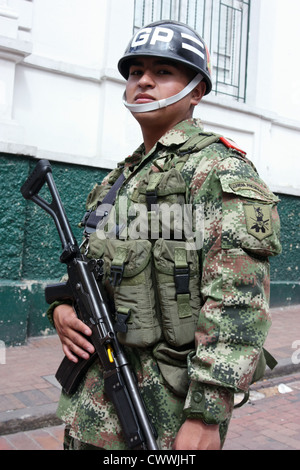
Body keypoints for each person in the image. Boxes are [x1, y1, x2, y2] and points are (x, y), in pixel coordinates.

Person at [48, 20, 281, 450]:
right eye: (135, 71)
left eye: (163, 71)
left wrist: (208, 416)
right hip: (93, 406)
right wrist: (62, 311)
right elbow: (87, 266)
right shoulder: (118, 178)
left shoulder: (217, 169)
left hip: (166, 415)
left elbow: (237, 300)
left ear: (196, 90)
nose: (144, 81)